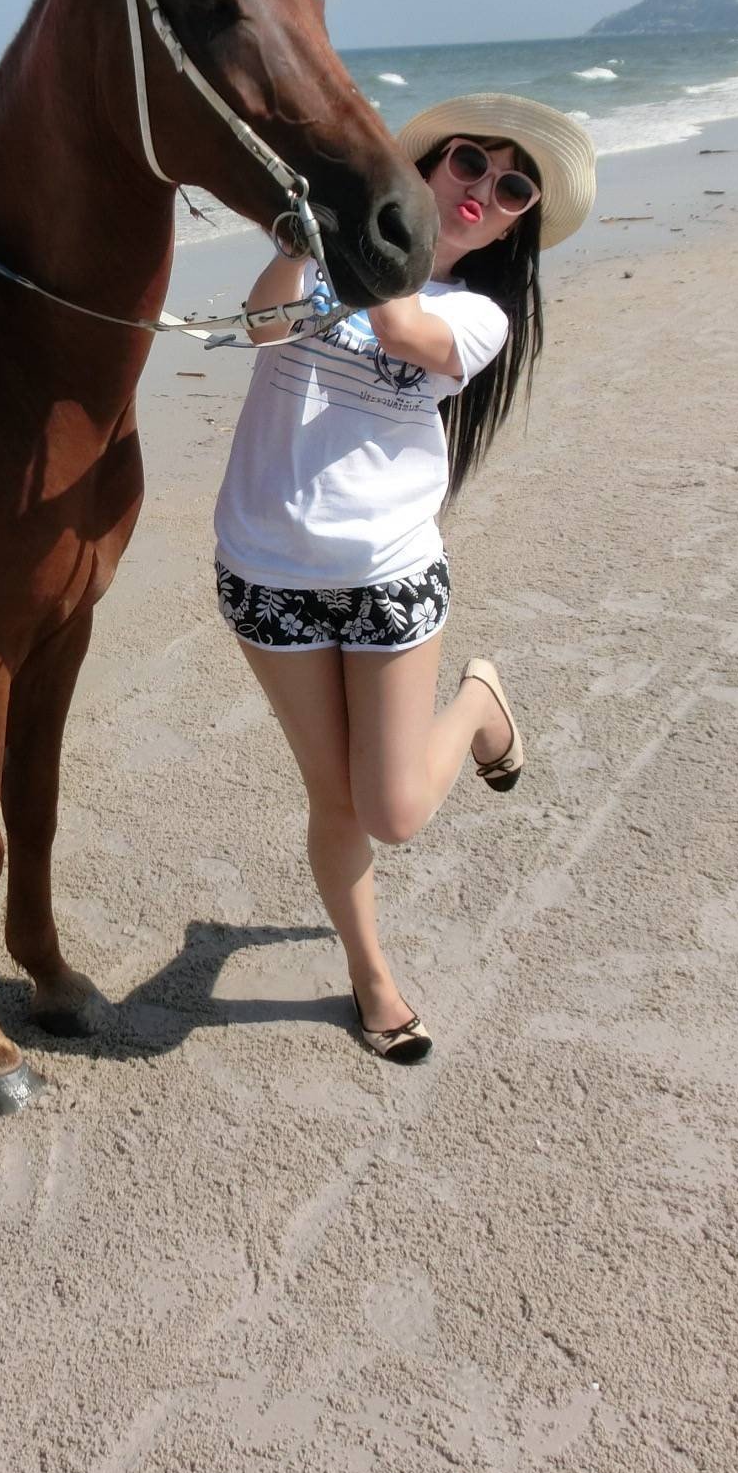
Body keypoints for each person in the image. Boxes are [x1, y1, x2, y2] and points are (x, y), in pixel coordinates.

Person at [211, 94, 596, 1061]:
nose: (483, 191)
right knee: (333, 801)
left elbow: (402, 336)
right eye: (468, 163)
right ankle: (370, 975)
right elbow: (260, 325)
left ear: (518, 223)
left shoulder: (478, 317)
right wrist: (308, 238)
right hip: (266, 568)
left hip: (386, 576)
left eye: (513, 188)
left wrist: (359, 230)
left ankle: (477, 700)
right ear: (429, 164)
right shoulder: (322, 261)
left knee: (395, 813)